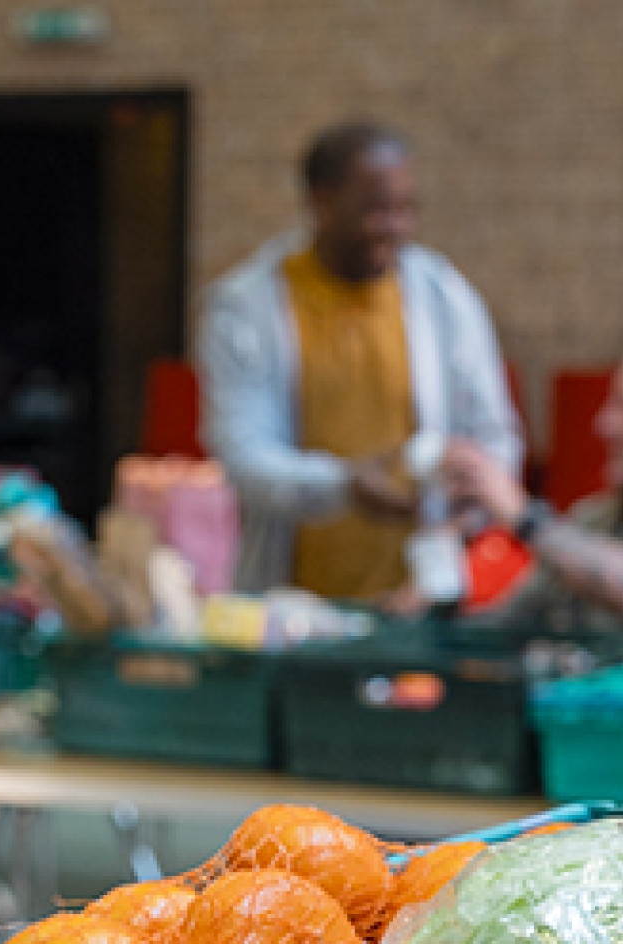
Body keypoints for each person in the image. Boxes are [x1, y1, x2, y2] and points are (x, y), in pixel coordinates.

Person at [198, 121, 523, 597]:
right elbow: (244, 457)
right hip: (294, 603)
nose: (395, 228)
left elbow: (495, 438)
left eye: (405, 210)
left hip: (421, 596)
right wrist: (345, 487)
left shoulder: (444, 297)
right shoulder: (247, 306)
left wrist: (461, 509)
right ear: (320, 202)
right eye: (374, 210)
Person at [442, 369, 623, 627]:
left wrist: (522, 514)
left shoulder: (575, 535)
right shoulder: (593, 520)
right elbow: (508, 624)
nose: (602, 424)